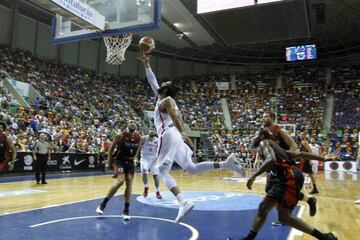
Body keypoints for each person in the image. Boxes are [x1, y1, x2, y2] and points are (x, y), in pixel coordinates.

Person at [139, 52, 245, 224]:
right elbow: (153, 81)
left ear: (165, 90)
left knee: (161, 171)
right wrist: (146, 64)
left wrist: (182, 133)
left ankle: (183, 201)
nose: (163, 82)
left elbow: (174, 117)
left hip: (168, 135)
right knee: (192, 168)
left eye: (165, 84)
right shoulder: (162, 98)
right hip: (174, 137)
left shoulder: (166, 100)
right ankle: (226, 164)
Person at [228, 129, 338, 240]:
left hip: (288, 177)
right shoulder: (275, 147)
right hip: (288, 177)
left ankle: (325, 237)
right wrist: (323, 158)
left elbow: (271, 160)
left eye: (255, 135)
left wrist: (253, 176)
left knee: (282, 216)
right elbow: (299, 154)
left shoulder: (264, 143)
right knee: (268, 210)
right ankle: (325, 237)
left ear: (261, 136)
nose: (253, 138)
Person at [96, 121, 140, 221]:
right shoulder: (120, 136)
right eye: (130, 123)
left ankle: (126, 210)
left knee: (129, 182)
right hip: (120, 161)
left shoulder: (139, 137)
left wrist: (136, 157)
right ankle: (103, 204)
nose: (132, 123)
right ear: (127, 126)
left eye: (134, 123)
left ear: (136, 126)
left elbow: (139, 148)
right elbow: (111, 149)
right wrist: (109, 163)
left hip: (130, 162)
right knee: (120, 181)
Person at [262, 112, 299, 226]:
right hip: (274, 166)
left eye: (265, 116)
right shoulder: (266, 132)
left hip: (284, 167)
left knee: (279, 192)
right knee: (269, 189)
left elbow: (294, 145)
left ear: (272, 118)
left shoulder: (280, 131)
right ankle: (309, 200)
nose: (263, 118)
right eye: (262, 117)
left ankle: (282, 217)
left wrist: (288, 157)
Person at [134, 128, 162, 199]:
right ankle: (146, 187)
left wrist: (158, 159)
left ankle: (157, 192)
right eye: (151, 130)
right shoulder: (144, 138)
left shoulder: (157, 140)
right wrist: (135, 157)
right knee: (144, 171)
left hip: (153, 160)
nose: (152, 131)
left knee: (155, 176)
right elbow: (138, 148)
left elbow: (159, 151)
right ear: (148, 131)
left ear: (155, 132)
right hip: (144, 159)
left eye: (153, 130)